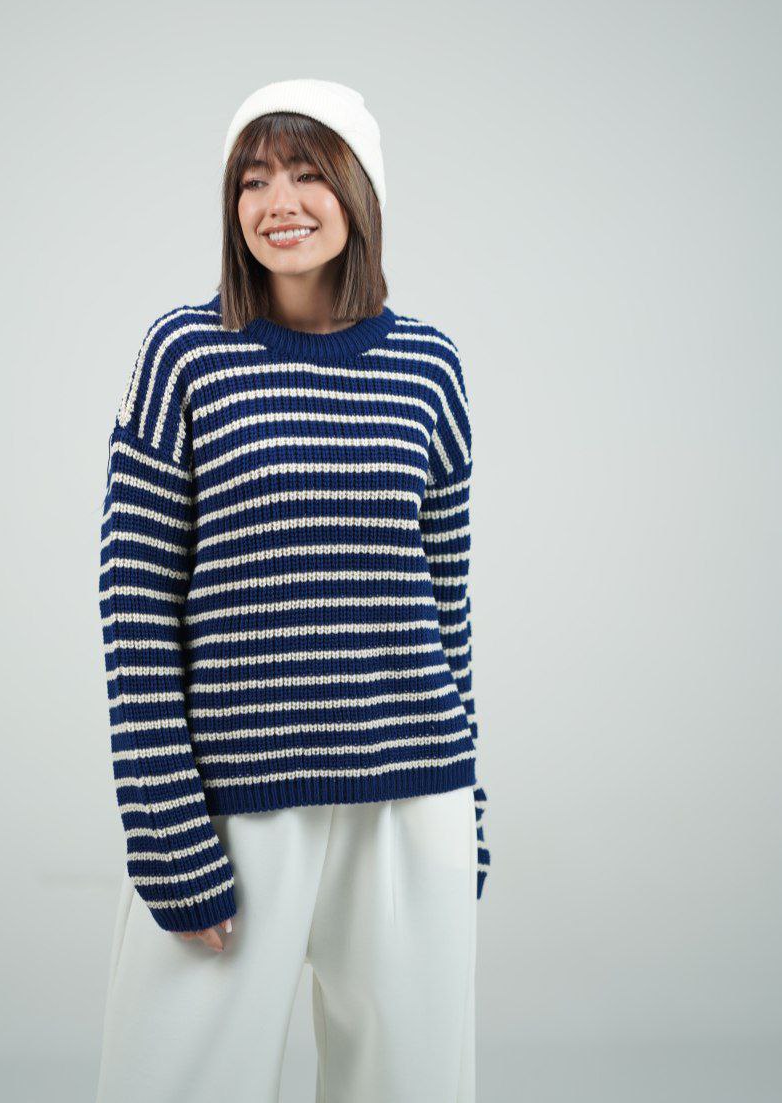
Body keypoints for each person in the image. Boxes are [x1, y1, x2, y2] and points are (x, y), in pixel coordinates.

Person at [94, 78, 492, 1103]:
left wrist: (471, 808)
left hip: (413, 793)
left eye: (309, 173)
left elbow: (445, 605)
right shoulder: (183, 356)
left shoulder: (429, 367)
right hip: (237, 800)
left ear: (361, 193)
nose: (279, 202)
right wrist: (164, 825)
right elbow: (135, 607)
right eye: (253, 179)